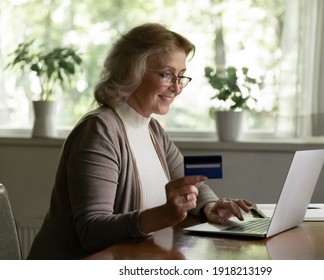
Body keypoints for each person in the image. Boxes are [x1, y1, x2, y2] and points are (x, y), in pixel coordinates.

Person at [27, 23, 253, 260]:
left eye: (181, 76)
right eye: (166, 74)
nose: (176, 88)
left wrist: (211, 207)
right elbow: (91, 231)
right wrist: (164, 215)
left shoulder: (153, 129)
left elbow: (191, 183)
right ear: (131, 70)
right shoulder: (99, 129)